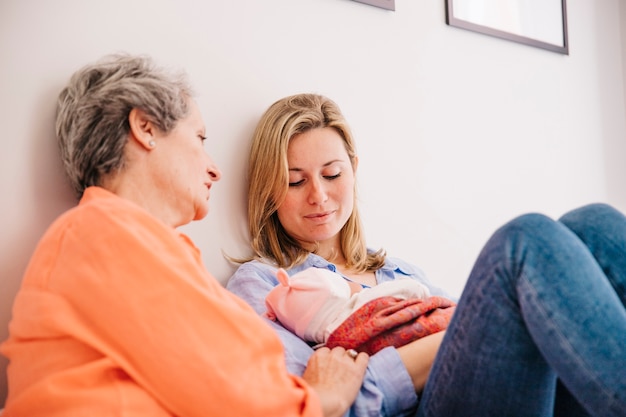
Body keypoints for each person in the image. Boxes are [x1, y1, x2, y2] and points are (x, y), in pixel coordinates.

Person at [0, 56, 369, 417]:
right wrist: (324, 397)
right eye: (199, 137)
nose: (215, 170)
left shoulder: (136, 243)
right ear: (145, 128)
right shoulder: (100, 233)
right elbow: (236, 394)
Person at [226, 93, 626, 417]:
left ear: (353, 169)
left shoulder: (398, 271)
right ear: (269, 189)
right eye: (295, 181)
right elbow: (317, 404)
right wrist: (452, 337)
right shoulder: (263, 283)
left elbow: (474, 342)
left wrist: (451, 336)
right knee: (524, 241)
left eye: (332, 174)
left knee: (593, 223)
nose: (319, 195)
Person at [265, 267, 455, 355]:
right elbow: (412, 289)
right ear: (340, 292)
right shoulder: (364, 302)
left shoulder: (327, 348)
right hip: (442, 337)